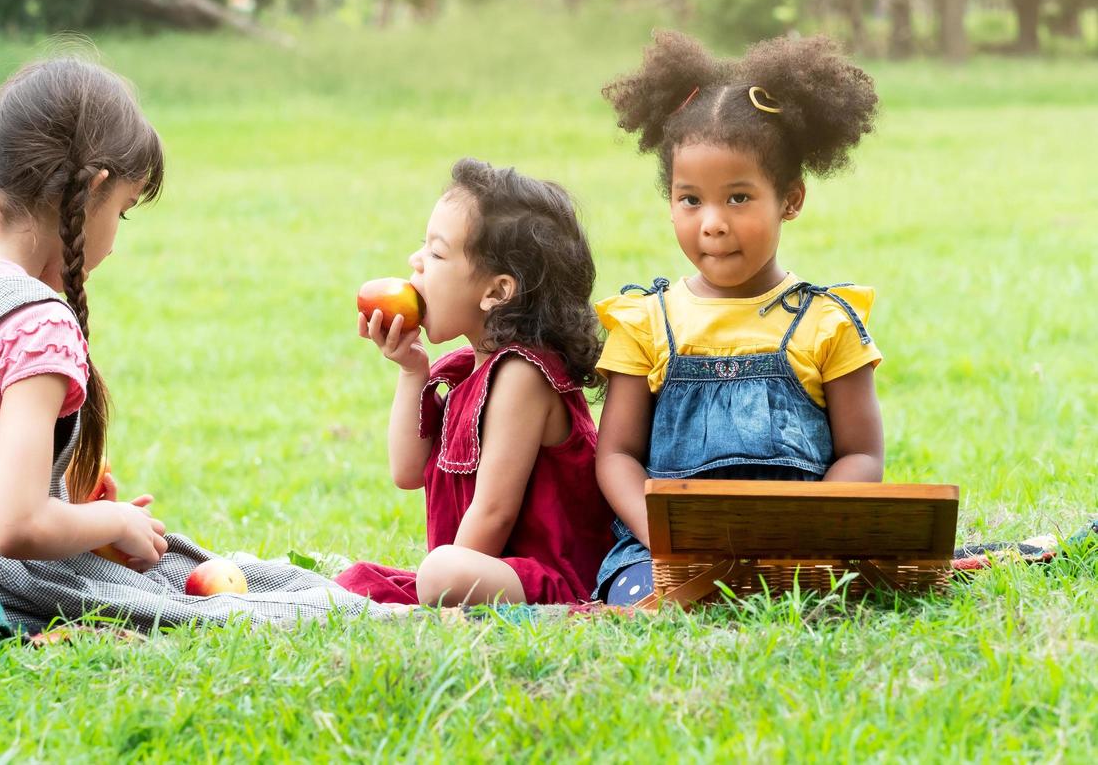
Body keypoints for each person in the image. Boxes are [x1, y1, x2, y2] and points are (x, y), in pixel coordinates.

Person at [0, 56, 383, 632]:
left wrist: (64, 523)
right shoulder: (33, 320)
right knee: (237, 598)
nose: (115, 239)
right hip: (4, 588)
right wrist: (107, 523)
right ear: (94, 187)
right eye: (123, 211)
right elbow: (14, 528)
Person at [594, 31, 885, 606]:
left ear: (791, 200)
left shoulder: (827, 323)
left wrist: (803, 536)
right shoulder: (645, 321)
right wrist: (663, 540)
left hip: (800, 548)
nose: (712, 223)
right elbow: (617, 455)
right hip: (666, 554)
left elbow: (862, 454)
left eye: (739, 198)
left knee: (829, 593)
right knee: (653, 596)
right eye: (690, 199)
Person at [336, 158, 615, 606]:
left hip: (553, 577)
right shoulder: (467, 371)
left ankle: (446, 583)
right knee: (362, 578)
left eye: (436, 253)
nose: (416, 261)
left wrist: (449, 580)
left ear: (497, 292)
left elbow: (494, 511)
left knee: (440, 571)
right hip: (489, 569)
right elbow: (407, 472)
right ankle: (445, 579)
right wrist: (412, 370)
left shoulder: (523, 375)